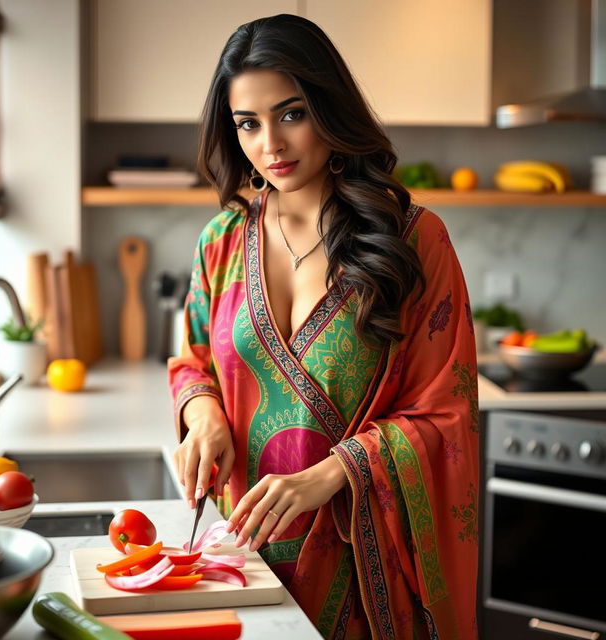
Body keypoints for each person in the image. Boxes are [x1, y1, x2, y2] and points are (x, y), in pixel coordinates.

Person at [168, 13, 479, 640]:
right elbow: (193, 359)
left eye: (291, 114)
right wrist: (203, 415)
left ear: (330, 109)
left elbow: (448, 412)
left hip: (367, 580)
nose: (271, 146)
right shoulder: (222, 242)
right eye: (248, 124)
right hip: (243, 565)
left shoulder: (415, 241)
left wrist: (334, 473)